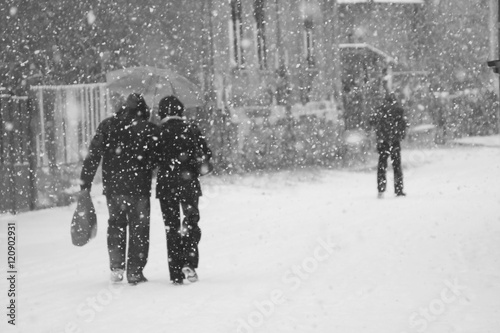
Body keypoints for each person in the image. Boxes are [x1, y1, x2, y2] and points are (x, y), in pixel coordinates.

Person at [80, 93, 159, 285]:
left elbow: (93, 156)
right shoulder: (148, 129)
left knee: (116, 224)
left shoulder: (108, 125)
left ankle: (116, 267)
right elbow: (156, 159)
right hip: (138, 187)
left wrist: (85, 184)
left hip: (114, 188)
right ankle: (135, 271)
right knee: (139, 229)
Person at [155, 96, 212, 285]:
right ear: (181, 111)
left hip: (166, 186)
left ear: (162, 112)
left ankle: (175, 272)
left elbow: (151, 159)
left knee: (171, 227)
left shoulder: (158, 132)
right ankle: (189, 262)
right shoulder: (192, 129)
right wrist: (195, 168)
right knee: (190, 223)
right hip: (188, 185)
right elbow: (205, 155)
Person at [369, 92, 408, 198]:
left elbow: (371, 121)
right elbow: (403, 125)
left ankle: (381, 189)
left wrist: (379, 132)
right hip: (394, 141)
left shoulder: (380, 110)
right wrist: (400, 135)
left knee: (382, 165)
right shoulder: (398, 110)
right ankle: (398, 189)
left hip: (383, 141)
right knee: (397, 166)